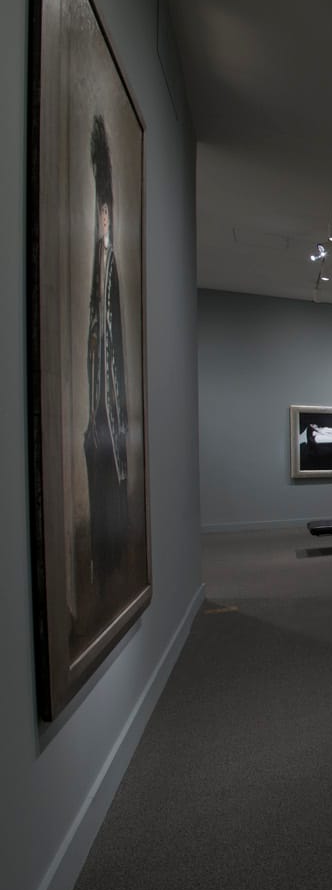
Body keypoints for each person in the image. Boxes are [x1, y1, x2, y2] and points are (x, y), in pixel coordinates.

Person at [83, 115, 130, 598]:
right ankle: (105, 556)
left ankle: (112, 553)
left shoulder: (111, 267)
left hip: (110, 400)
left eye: (106, 210)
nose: (103, 219)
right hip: (101, 401)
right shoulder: (98, 267)